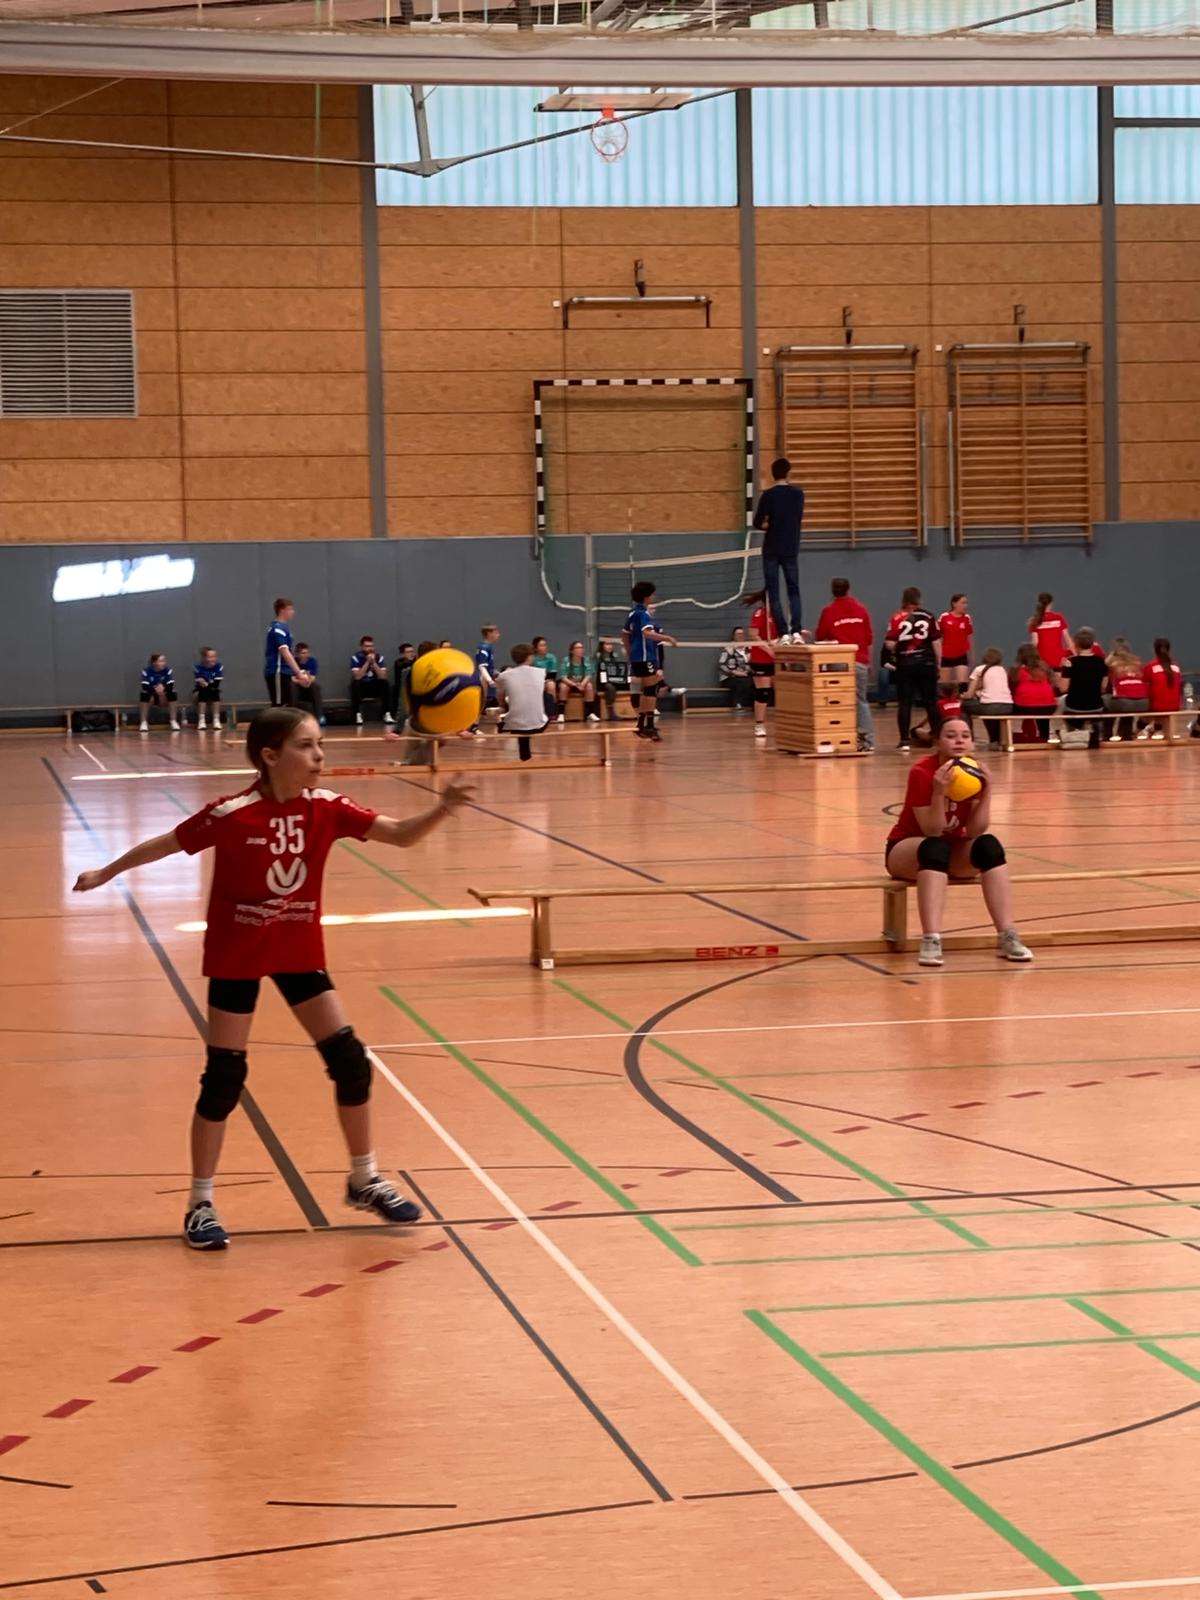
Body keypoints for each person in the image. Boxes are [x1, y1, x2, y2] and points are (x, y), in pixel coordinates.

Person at [72, 705, 473, 1250]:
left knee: (350, 1062)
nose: (319, 756)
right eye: (306, 746)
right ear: (269, 755)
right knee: (224, 1077)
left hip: (297, 950)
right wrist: (106, 872)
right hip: (237, 954)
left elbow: (400, 835)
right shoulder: (233, 813)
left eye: (319, 744)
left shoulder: (328, 808)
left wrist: (442, 810)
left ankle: (364, 1178)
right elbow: (166, 842)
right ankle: (200, 1204)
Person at [886, 717, 1033, 969]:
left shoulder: (973, 772)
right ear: (937, 741)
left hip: (953, 850)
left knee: (989, 846)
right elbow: (932, 830)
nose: (959, 741)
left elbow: (975, 830)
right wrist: (938, 792)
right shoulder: (923, 771)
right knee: (935, 848)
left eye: (965, 736)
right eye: (951, 736)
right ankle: (931, 939)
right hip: (908, 849)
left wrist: (987, 790)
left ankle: (1007, 935)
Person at [815, 577, 875, 753]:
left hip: (839, 664)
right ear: (848, 589)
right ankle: (867, 740)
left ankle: (836, 736)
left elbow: (820, 636)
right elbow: (869, 639)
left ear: (832, 591)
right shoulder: (861, 609)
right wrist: (869, 662)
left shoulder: (828, 611)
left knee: (836, 701)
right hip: (860, 661)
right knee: (861, 701)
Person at [752, 456, 805, 640]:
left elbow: (757, 522)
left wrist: (769, 525)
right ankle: (796, 631)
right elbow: (797, 518)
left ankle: (783, 633)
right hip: (790, 547)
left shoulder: (768, 495)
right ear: (788, 473)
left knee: (774, 593)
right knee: (793, 590)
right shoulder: (798, 494)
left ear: (773, 475)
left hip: (771, 549)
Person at [884, 587, 940, 754]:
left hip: (905, 664)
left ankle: (904, 741)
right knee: (931, 702)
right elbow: (936, 642)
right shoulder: (928, 616)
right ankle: (937, 739)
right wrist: (938, 663)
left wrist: (899, 647)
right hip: (926, 663)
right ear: (919, 599)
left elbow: (889, 644)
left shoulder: (897, 617)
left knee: (905, 703)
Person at [622, 582, 677, 743]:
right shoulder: (643, 614)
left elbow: (624, 635)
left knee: (646, 691)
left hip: (637, 658)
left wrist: (631, 653)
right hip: (646, 658)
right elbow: (647, 633)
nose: (654, 597)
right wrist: (667, 638)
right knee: (650, 691)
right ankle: (649, 727)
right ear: (646, 597)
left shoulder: (632, 613)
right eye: (652, 594)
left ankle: (641, 725)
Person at [496, 642, 548, 762]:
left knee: (517, 719)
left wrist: (502, 705)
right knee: (532, 714)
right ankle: (526, 757)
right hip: (538, 724)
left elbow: (499, 692)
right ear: (529, 657)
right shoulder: (541, 672)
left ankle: (525, 757)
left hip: (515, 725)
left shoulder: (504, 675)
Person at [1059, 628, 1107, 749]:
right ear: (1092, 644)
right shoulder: (1101, 662)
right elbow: (1103, 687)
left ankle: (1070, 731)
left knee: (1060, 700)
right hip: (1096, 706)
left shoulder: (1070, 662)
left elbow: (1063, 688)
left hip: (1074, 706)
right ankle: (1094, 730)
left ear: (1076, 644)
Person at [744, 588, 779, 741]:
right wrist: (768, 649)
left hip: (776, 659)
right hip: (760, 659)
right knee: (763, 693)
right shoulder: (760, 613)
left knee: (782, 691)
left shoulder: (778, 614)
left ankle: (786, 723)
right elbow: (753, 634)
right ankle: (759, 725)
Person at [964, 647, 1014, 750]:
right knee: (990, 710)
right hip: (1008, 707)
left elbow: (969, 694)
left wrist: (963, 696)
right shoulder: (1003, 670)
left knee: (964, 706)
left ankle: (969, 739)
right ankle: (995, 741)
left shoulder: (979, 669)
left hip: (990, 706)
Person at [1010, 643, 1059, 743]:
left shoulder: (1016, 670)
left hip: (1023, 707)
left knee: (1021, 705)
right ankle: (1044, 738)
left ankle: (1026, 734)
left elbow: (1011, 688)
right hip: (1049, 707)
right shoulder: (1045, 668)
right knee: (1042, 713)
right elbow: (1053, 685)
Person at [265, 598, 309, 708]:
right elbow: (285, 652)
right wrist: (298, 673)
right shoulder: (277, 628)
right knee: (279, 706)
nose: (293, 612)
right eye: (290, 609)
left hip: (285, 672)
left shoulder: (284, 628)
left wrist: (296, 673)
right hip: (278, 671)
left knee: (287, 705)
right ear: (282, 610)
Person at [1105, 642, 1148, 743]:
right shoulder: (1137, 664)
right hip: (1144, 702)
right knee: (1129, 699)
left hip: (1126, 702)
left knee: (1107, 699)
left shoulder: (1112, 665)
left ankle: (1107, 735)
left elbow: (1106, 686)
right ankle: (1126, 734)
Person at [1144, 637, 1183, 740]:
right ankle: (1156, 728)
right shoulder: (1176, 667)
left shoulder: (1150, 666)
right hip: (1175, 706)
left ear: (1154, 650)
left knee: (1143, 705)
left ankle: (1145, 729)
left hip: (1157, 707)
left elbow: (1145, 686)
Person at [349, 636, 391, 726]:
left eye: (371, 646)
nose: (370, 648)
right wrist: (367, 662)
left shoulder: (379, 657)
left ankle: (386, 713)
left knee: (385, 683)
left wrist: (374, 663)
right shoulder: (355, 658)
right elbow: (358, 676)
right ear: (362, 647)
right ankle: (358, 714)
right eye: (367, 646)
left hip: (375, 686)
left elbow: (383, 676)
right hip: (362, 687)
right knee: (355, 684)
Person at [1028, 592, 1072, 677]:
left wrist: (1029, 658)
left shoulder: (1035, 620)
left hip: (1042, 662)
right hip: (1058, 660)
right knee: (1058, 683)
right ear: (1051, 604)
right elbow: (1068, 640)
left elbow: (1035, 642)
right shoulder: (1059, 618)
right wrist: (1076, 655)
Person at [938, 593, 974, 692]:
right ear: (954, 604)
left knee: (963, 684)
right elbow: (939, 638)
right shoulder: (944, 617)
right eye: (963, 603)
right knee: (945, 687)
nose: (965, 605)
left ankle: (962, 701)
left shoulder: (967, 618)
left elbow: (969, 638)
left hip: (961, 655)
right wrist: (938, 657)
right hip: (946, 656)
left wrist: (971, 656)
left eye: (966, 603)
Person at [557, 641, 600, 722]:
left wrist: (582, 684)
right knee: (563, 686)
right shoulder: (566, 660)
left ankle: (590, 713)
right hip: (569, 683)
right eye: (578, 648)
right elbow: (563, 677)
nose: (581, 650)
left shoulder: (586, 660)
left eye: (581, 648)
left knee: (589, 686)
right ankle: (561, 714)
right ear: (572, 650)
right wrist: (573, 684)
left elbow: (588, 675)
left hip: (581, 683)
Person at [140, 653, 179, 733]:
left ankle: (173, 720)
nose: (164, 663)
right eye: (161, 661)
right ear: (154, 663)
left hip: (164, 696)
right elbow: (145, 686)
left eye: (164, 661)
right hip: (152, 695)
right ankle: (143, 722)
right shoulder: (146, 671)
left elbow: (171, 684)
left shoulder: (167, 670)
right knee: (144, 695)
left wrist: (163, 688)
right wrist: (156, 690)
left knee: (173, 693)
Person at [717, 628, 753, 711]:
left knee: (755, 681)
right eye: (738, 634)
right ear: (733, 636)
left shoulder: (749, 648)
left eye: (742, 634)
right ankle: (737, 704)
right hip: (730, 677)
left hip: (746, 675)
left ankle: (755, 705)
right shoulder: (728, 649)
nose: (740, 636)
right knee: (740, 682)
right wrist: (734, 672)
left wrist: (748, 671)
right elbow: (721, 665)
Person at [595, 638, 629, 720]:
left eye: (611, 644)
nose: (610, 646)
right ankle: (611, 713)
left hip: (614, 680)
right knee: (610, 688)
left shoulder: (614, 656)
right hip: (602, 682)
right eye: (607, 644)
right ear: (602, 646)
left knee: (630, 683)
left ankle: (632, 711)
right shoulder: (598, 657)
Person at [192, 647, 223, 732]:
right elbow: (201, 684)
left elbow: (216, 684)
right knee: (203, 691)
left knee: (215, 691)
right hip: (199, 692)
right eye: (210, 657)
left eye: (214, 656)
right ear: (204, 658)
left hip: (213, 691)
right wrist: (207, 683)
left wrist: (207, 683)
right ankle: (202, 720)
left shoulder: (218, 667)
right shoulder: (198, 667)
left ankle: (216, 720)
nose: (213, 659)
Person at [293, 643, 324, 727]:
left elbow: (313, 677)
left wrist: (307, 682)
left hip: (307, 684)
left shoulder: (312, 661)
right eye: (303, 653)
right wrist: (300, 682)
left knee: (316, 687)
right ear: (298, 654)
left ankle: (319, 716)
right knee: (292, 687)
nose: (306, 655)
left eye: (307, 652)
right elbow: (292, 678)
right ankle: (293, 716)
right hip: (297, 684)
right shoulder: (293, 662)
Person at [474, 625, 501, 717]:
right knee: (482, 704)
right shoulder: (484, 648)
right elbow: (481, 667)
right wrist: (489, 681)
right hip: (484, 681)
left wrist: (497, 673)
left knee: (490, 705)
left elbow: (488, 666)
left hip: (487, 681)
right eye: (496, 633)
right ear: (489, 634)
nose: (498, 635)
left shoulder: (489, 647)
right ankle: (475, 724)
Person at [531, 637, 558, 721]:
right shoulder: (532, 658)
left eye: (545, 645)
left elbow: (552, 673)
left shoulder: (551, 657)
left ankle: (552, 713)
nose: (544, 647)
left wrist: (545, 679)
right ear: (536, 648)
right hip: (535, 681)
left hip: (548, 680)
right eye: (541, 645)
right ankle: (537, 713)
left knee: (551, 685)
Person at [389, 643, 416, 723]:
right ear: (403, 654)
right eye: (408, 652)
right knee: (396, 689)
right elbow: (400, 678)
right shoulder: (399, 662)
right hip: (403, 687)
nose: (411, 654)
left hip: (415, 686)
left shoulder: (417, 661)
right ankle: (397, 716)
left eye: (412, 651)